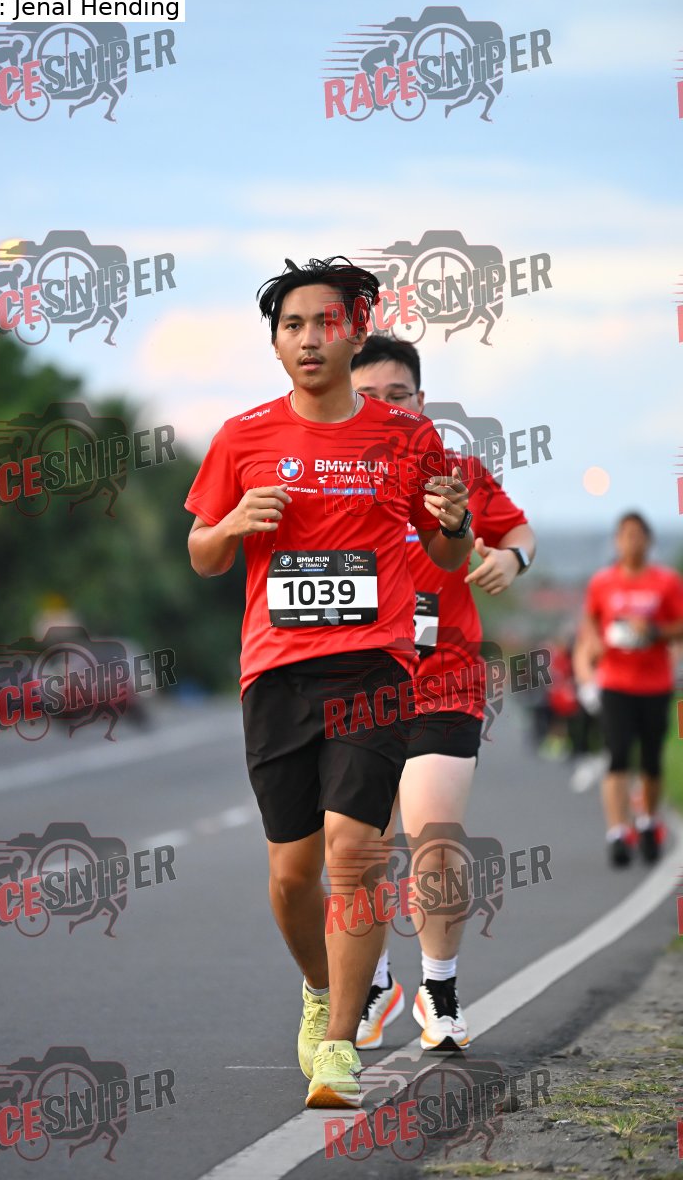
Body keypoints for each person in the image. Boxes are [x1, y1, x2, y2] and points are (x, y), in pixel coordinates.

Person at [184, 258, 473, 1108]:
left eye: (325, 323)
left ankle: (341, 1045)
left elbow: (445, 552)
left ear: (355, 332)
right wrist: (233, 524)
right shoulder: (242, 436)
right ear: (277, 344)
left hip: (374, 665)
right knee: (292, 875)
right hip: (276, 672)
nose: (309, 338)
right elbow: (202, 555)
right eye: (293, 326)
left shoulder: (407, 438)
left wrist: (455, 523)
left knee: (356, 851)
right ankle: (320, 989)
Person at [350, 334, 536, 1052]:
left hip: (443, 683)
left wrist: (512, 559)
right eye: (367, 397)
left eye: (398, 396)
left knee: (431, 839)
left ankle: (440, 987)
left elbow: (518, 531)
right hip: (356, 686)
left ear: (421, 402)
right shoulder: (335, 479)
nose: (385, 408)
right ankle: (374, 983)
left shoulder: (457, 475)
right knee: (360, 850)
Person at [573, 512, 683, 867]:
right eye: (625, 535)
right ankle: (618, 832)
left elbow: (680, 625)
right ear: (616, 541)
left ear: (649, 541)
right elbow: (590, 621)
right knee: (617, 754)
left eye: (638, 535)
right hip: (616, 683)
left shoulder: (666, 582)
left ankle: (648, 820)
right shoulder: (603, 582)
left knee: (651, 759)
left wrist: (653, 630)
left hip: (654, 683)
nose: (632, 541)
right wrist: (594, 644)